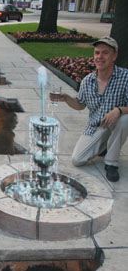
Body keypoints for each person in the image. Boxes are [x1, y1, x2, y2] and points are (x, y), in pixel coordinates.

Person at [50, 36, 128, 182]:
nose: (99, 57)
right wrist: (66, 98)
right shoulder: (88, 80)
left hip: (116, 124)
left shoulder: (125, 77)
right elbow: (80, 104)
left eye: (105, 53)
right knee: (77, 160)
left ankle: (111, 163)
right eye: (97, 53)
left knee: (125, 120)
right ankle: (104, 146)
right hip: (96, 126)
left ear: (114, 56)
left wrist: (118, 110)